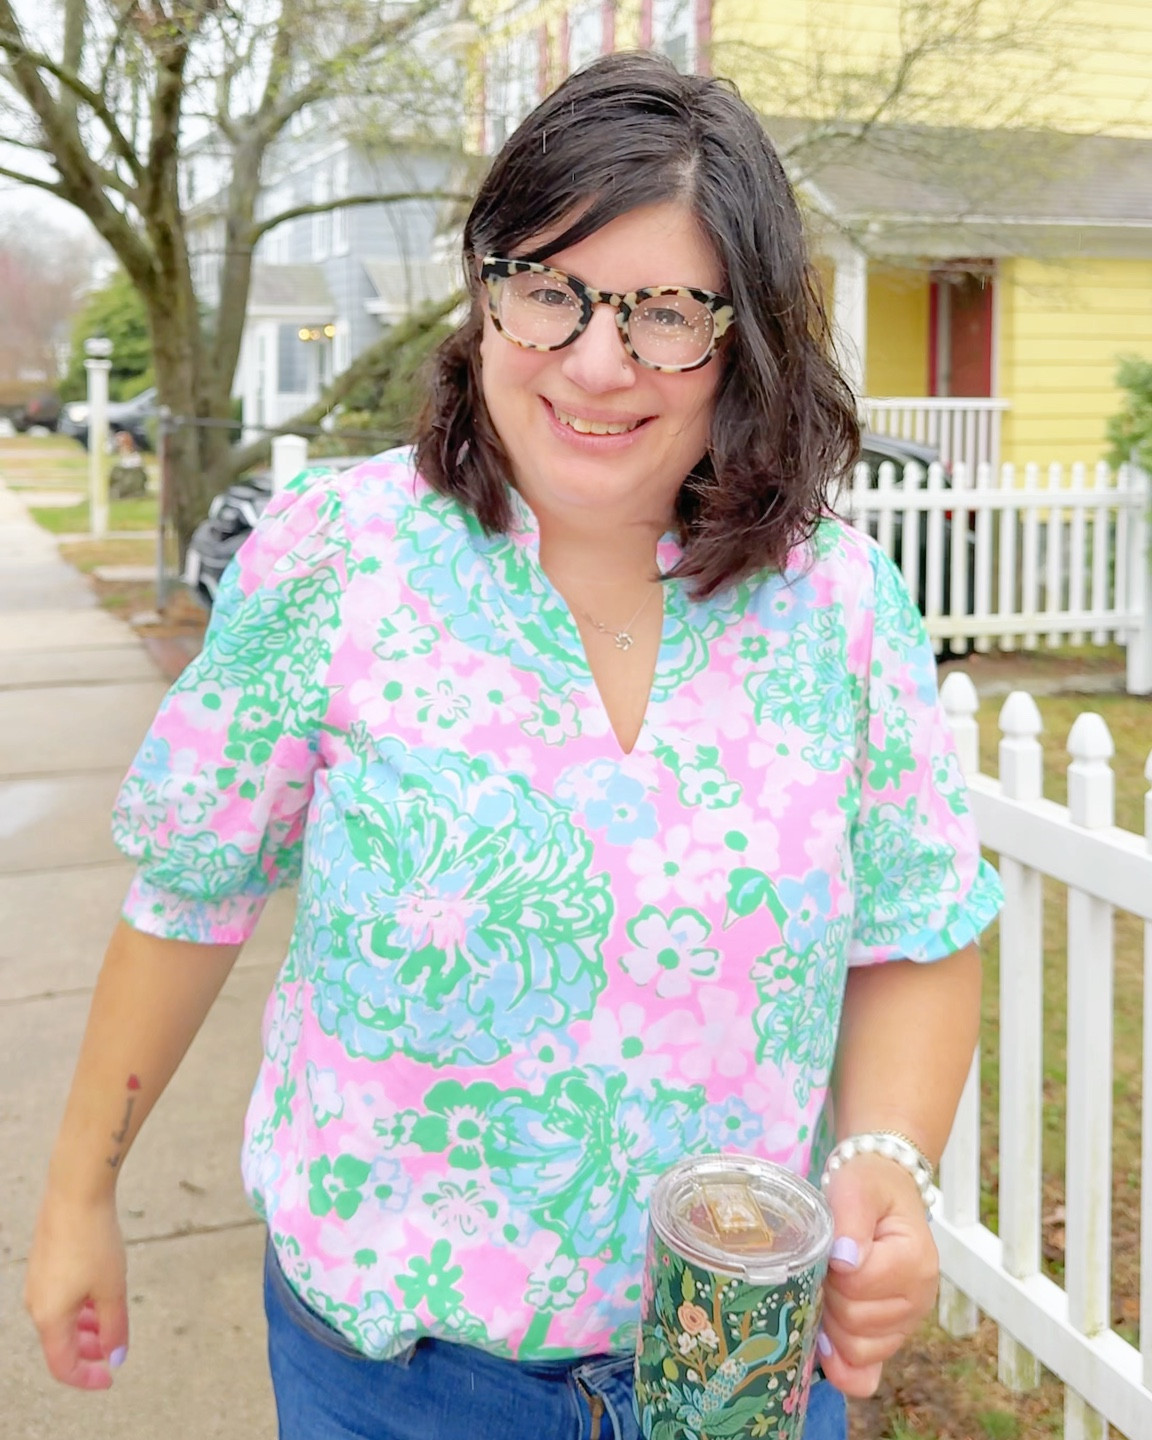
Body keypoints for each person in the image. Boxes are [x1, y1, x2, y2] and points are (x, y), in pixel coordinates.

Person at [25, 50, 1002, 1440]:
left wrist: (888, 1160)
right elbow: (190, 892)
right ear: (485, 294)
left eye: (666, 313)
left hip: (736, 1384)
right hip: (394, 1385)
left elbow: (913, 929)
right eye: (549, 290)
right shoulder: (337, 559)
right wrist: (80, 1191)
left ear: (746, 336)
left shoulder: (836, 603)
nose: (597, 362)